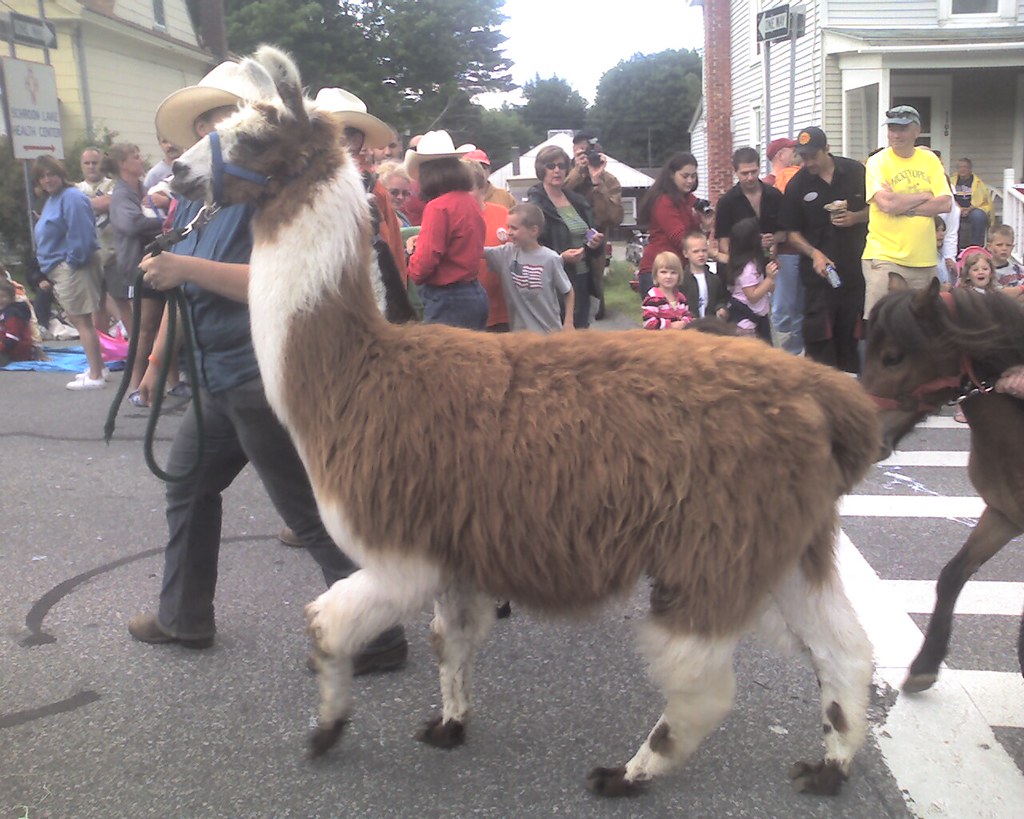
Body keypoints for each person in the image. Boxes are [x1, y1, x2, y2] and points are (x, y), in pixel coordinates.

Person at [128, 58, 408, 673]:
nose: (212, 135)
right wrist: (155, 361)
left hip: (260, 373)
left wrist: (187, 270)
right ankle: (184, 616)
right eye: (205, 126)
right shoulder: (199, 202)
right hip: (214, 376)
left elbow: (277, 283)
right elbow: (180, 288)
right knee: (189, 489)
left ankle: (376, 633)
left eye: (221, 120)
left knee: (308, 510)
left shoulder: (272, 196)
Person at [781, 126, 868, 373]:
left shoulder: (855, 172)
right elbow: (792, 233)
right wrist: (814, 253)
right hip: (818, 279)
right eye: (803, 156)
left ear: (826, 150)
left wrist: (856, 217)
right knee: (820, 342)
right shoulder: (798, 184)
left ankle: (851, 397)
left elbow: (877, 212)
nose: (807, 162)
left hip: (854, 274)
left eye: (812, 156)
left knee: (850, 340)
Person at [106, 142, 184, 405]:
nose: (141, 161)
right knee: (145, 329)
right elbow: (130, 224)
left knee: (166, 324)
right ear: (121, 164)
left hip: (157, 260)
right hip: (137, 267)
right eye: (135, 157)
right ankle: (135, 385)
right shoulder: (121, 195)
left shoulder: (144, 189)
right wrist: (165, 225)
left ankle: (173, 382)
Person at [861, 105, 952, 319]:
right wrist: (924, 195)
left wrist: (903, 207)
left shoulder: (930, 160)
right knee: (881, 319)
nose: (896, 134)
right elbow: (887, 205)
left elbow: (945, 204)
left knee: (924, 322)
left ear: (916, 131)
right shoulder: (877, 162)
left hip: (924, 258)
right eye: (892, 128)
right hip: (885, 255)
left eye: (902, 128)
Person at [32, 155, 107, 389]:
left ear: (61, 174)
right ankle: (98, 367)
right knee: (80, 319)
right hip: (61, 268)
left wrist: (71, 263)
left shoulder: (71, 197)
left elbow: (82, 235)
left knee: (81, 320)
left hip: (74, 268)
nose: (47, 180)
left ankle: (96, 375)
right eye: (42, 176)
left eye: (51, 174)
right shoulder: (54, 199)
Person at [405, 130, 487, 328]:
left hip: (447, 300)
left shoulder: (437, 207)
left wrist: (410, 253)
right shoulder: (470, 202)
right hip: (473, 293)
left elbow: (422, 267)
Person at [527, 145, 604, 329]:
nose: (557, 170)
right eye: (550, 165)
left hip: (583, 278)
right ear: (541, 169)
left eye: (561, 166)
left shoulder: (578, 201)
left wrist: (594, 244)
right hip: (553, 282)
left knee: (581, 340)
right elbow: (531, 247)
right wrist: (560, 257)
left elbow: (591, 235)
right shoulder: (535, 206)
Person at [482, 202, 574, 334]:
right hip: (520, 336)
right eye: (508, 227)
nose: (509, 233)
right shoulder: (505, 254)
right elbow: (476, 251)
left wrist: (569, 323)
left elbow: (568, 291)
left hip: (549, 334)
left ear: (533, 230)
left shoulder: (551, 258)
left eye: (514, 228)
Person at [566, 133, 623, 319]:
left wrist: (597, 182)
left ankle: (597, 313)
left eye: (591, 152)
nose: (587, 157)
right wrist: (578, 172)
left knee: (594, 286)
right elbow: (558, 195)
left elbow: (614, 217)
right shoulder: (565, 174)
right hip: (567, 238)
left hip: (596, 240)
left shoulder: (610, 181)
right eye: (581, 152)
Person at [636, 152, 703, 299]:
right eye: (685, 176)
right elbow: (679, 237)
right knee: (663, 320)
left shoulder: (691, 200)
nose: (690, 180)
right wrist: (707, 251)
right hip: (658, 270)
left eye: (693, 176)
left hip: (678, 270)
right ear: (672, 175)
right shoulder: (664, 201)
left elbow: (696, 237)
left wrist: (706, 227)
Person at [76, 147, 120, 335]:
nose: (91, 167)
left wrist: (85, 205)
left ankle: (129, 337)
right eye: (87, 163)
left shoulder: (114, 184)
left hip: (114, 253)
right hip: (89, 254)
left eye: (95, 162)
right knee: (96, 304)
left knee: (120, 299)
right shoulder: (76, 189)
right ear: (81, 166)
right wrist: (98, 203)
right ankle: (103, 347)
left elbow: (112, 202)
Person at [465, 158, 512, 332]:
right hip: (469, 313)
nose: (463, 195)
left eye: (468, 188)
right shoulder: (453, 219)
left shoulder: (503, 213)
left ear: (482, 187)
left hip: (504, 311)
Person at [724, 217, 778, 341]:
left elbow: (768, 288)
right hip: (746, 321)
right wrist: (769, 279)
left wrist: (770, 280)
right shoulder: (747, 269)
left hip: (759, 317)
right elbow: (752, 296)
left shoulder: (754, 263)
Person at [680, 230, 728, 320]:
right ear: (685, 253)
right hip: (689, 326)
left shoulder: (714, 279)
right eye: (696, 251)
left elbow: (720, 299)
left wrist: (721, 309)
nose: (701, 254)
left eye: (704, 250)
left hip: (710, 325)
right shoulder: (681, 279)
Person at [642, 251, 694, 330]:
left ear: (679, 275)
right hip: (659, 339)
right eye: (663, 272)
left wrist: (684, 322)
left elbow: (687, 315)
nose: (668, 276)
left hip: (679, 337)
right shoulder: (653, 298)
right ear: (656, 275)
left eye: (673, 273)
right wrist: (670, 325)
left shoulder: (681, 298)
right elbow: (648, 322)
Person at [950, 158, 993, 248]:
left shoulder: (977, 182)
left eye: (965, 167)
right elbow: (949, 196)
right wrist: (959, 209)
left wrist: (969, 209)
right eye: (960, 167)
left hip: (974, 209)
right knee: (948, 215)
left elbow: (981, 199)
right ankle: (954, 247)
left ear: (970, 169)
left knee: (978, 216)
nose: (962, 169)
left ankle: (975, 246)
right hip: (957, 208)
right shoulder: (952, 181)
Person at [0, 278, 34, 364]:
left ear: (12, 298)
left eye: (3, 296)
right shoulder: (3, 310)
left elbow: (12, 338)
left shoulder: (12, 314)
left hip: (16, 350)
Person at [377, 160, 414, 226]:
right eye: (394, 192)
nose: (400, 197)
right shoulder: (375, 220)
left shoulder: (401, 216)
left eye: (405, 193)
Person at [988, 225, 1024, 289]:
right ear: (989, 247)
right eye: (999, 245)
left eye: (1008, 245)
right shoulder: (984, 272)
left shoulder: (1019, 270)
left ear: (1012, 247)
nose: (1004, 248)